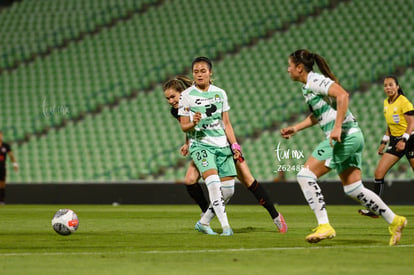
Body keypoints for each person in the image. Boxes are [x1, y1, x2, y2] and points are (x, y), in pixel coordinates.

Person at [280, 49, 407, 246]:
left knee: (305, 175)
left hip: (344, 137)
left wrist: (337, 127)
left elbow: (343, 95)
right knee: (354, 188)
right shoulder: (308, 86)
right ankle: (395, 220)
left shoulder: (314, 80)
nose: (287, 69)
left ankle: (324, 225)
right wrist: (296, 128)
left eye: (290, 65)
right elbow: (319, 114)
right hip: (353, 136)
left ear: (299, 68)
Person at [163, 75, 287, 234]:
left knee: (248, 180)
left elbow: (219, 121)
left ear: (183, 92)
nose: (171, 101)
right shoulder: (177, 110)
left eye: (173, 96)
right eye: (168, 99)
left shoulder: (196, 97)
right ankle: (205, 215)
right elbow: (189, 125)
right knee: (190, 180)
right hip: (202, 145)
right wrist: (187, 143)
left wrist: (233, 144)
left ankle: (276, 216)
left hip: (221, 143)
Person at [359, 76, 414, 218]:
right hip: (396, 141)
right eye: (385, 85)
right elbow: (390, 125)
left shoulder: (404, 102)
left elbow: (412, 123)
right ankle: (375, 208)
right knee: (378, 173)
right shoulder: (386, 102)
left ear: (397, 86)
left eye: (391, 85)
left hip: (410, 139)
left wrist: (404, 140)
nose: (388, 88)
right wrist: (384, 142)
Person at [0, 130, 19, 205]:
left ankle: (2, 200)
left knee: (2, 184)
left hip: (2, 167)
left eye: (0, 135)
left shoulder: (5, 146)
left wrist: (15, 164)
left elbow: (11, 155)